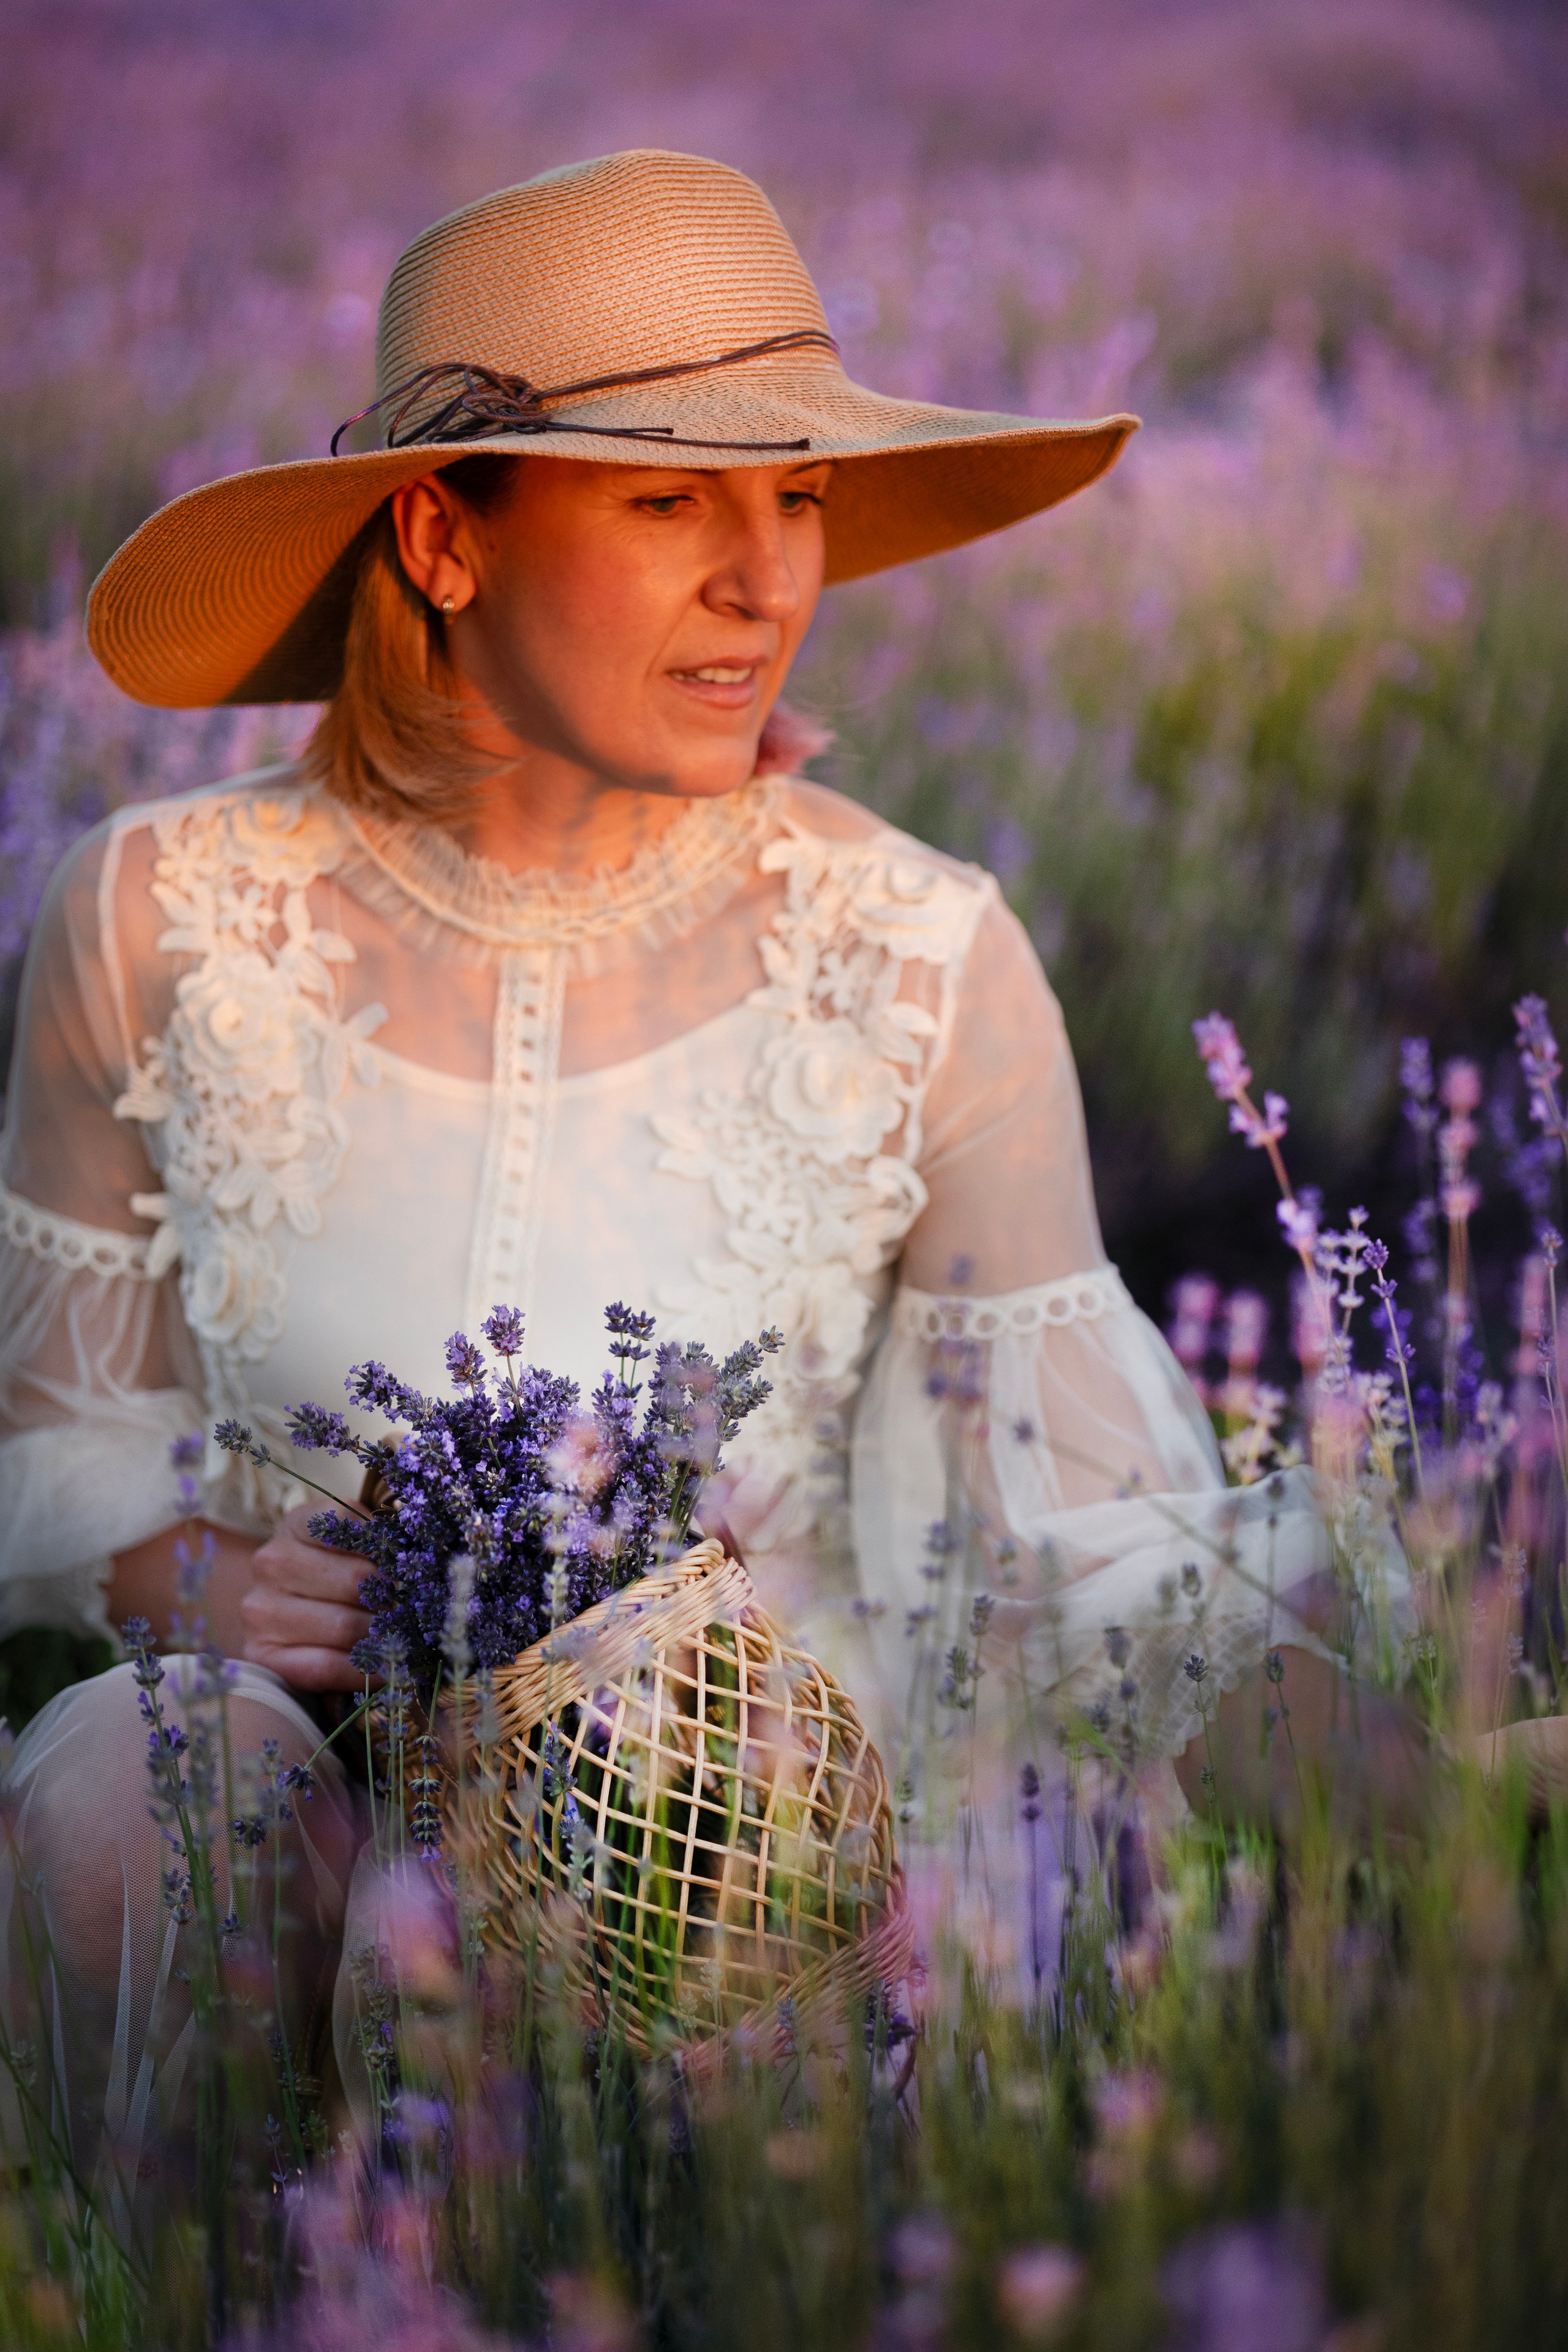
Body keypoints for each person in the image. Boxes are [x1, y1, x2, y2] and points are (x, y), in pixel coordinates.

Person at [0, 151, 1412, 2187]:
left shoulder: (915, 950)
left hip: (756, 1846)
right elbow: (56, 1445)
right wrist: (210, 1579)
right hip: (287, 1811)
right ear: (441, 535)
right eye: (671, 500)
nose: (770, 579)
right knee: (152, 1790)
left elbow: (1094, 1539)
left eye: (801, 496)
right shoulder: (156, 916)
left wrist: (1401, 1774)